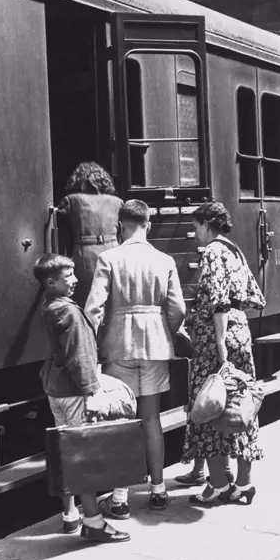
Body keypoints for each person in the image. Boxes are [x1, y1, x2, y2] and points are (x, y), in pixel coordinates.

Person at [85, 199, 186, 513]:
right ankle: (158, 490)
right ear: (148, 224)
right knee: (151, 419)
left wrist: (94, 342)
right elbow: (179, 309)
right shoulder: (164, 259)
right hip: (155, 347)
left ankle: (120, 498)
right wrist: (165, 331)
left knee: (124, 421)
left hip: (119, 347)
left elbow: (93, 309)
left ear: (121, 224)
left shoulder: (109, 258)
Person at [34, 253, 130, 543]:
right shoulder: (70, 313)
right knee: (83, 457)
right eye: (68, 277)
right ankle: (94, 523)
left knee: (66, 453)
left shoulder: (50, 305)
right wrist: (91, 393)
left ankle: (70, 515)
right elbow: (81, 357)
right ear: (51, 282)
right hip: (74, 391)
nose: (75, 281)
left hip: (56, 389)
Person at [181, 201, 266, 505]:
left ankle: (217, 483)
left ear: (207, 224)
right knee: (241, 405)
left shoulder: (213, 252)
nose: (195, 234)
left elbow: (217, 303)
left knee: (210, 404)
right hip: (240, 330)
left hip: (218, 337)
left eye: (196, 227)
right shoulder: (235, 251)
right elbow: (256, 297)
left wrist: (219, 348)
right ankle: (243, 484)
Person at [57, 162, 123, 307]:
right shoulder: (117, 203)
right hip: (115, 252)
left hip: (85, 256)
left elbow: (63, 237)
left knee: (87, 302)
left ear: (77, 179)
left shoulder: (71, 201)